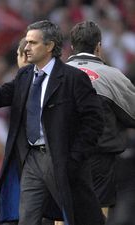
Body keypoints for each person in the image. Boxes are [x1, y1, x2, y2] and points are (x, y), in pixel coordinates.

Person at [0, 20, 105, 225]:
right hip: (30, 159)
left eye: (32, 43)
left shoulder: (74, 78)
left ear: (50, 46)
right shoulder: (25, 75)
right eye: (27, 42)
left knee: (77, 216)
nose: (26, 47)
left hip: (61, 160)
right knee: (27, 219)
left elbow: (94, 121)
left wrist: (74, 158)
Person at [67, 20, 135, 220]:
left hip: (63, 152)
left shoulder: (55, 74)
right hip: (100, 155)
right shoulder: (113, 76)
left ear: (72, 46)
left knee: (63, 207)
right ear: (98, 46)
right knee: (99, 208)